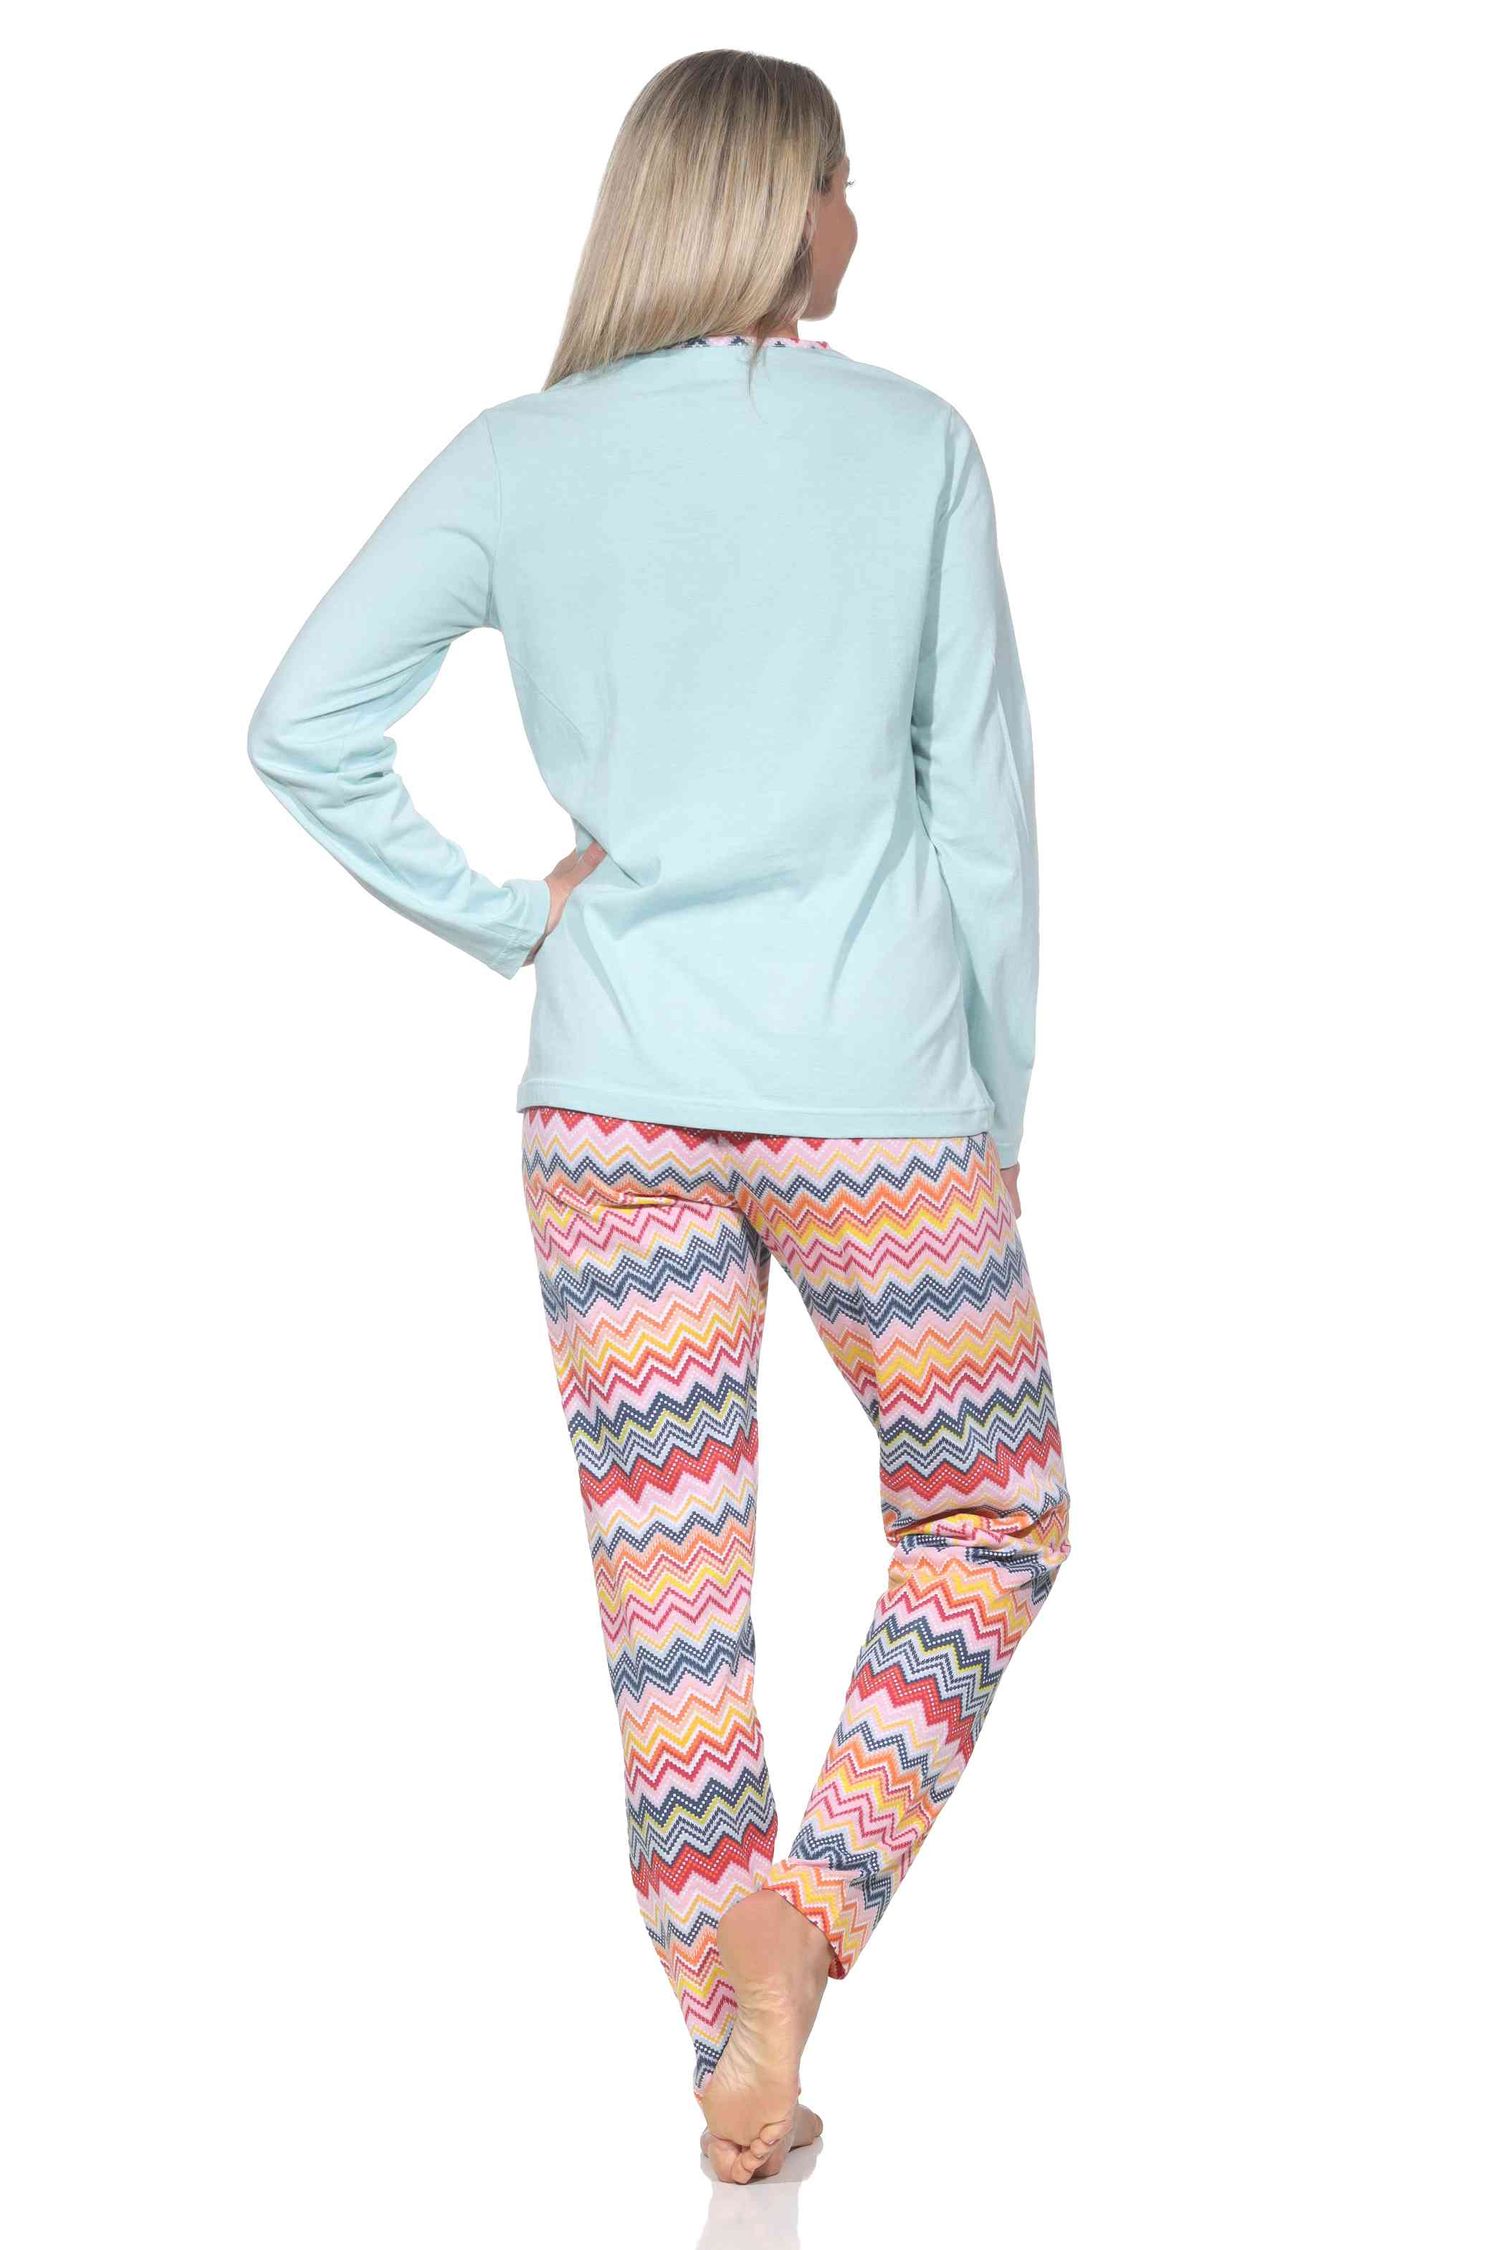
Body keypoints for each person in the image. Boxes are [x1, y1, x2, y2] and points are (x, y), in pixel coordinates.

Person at [248, 47, 1071, 2186]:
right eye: (844, 181)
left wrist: (507, 917)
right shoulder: (915, 445)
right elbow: (980, 811)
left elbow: (303, 723)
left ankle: (732, 2050)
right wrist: (990, 1104)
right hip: (876, 1102)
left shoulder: (521, 456)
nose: (859, 220)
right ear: (783, 202)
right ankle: (811, 1915)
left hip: (608, 1101)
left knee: (670, 1599)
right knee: (992, 1514)